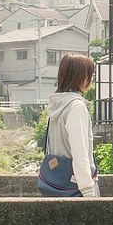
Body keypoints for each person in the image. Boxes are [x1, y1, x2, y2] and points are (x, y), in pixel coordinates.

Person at [38, 53, 100, 197]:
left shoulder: (56, 104)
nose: (91, 80)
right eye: (90, 75)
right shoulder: (76, 107)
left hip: (55, 186)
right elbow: (80, 152)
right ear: (81, 77)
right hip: (77, 189)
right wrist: (88, 191)